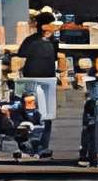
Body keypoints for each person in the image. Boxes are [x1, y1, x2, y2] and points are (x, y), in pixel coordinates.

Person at [14, 10, 63, 158]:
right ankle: (27, 147)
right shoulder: (30, 41)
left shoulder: (54, 42)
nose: (54, 27)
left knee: (46, 116)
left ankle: (42, 147)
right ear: (44, 26)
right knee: (29, 115)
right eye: (51, 24)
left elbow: (58, 58)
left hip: (48, 81)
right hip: (30, 81)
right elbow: (19, 59)